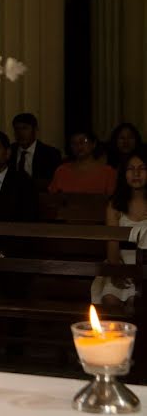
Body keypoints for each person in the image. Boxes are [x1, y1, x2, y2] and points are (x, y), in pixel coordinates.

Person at [91, 149, 147, 307]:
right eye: (131, 169)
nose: (136, 173)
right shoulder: (115, 205)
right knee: (111, 298)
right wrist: (117, 271)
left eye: (142, 168)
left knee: (136, 301)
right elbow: (112, 244)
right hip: (122, 261)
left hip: (145, 263)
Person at [48, 129, 116, 195]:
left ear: (93, 144)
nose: (78, 146)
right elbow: (52, 199)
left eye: (83, 141)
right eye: (73, 143)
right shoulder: (61, 170)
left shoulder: (108, 172)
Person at [9, 113, 62, 188]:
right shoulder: (8, 151)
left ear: (35, 129)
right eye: (17, 129)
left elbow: (54, 182)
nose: (20, 133)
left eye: (25, 128)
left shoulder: (50, 153)